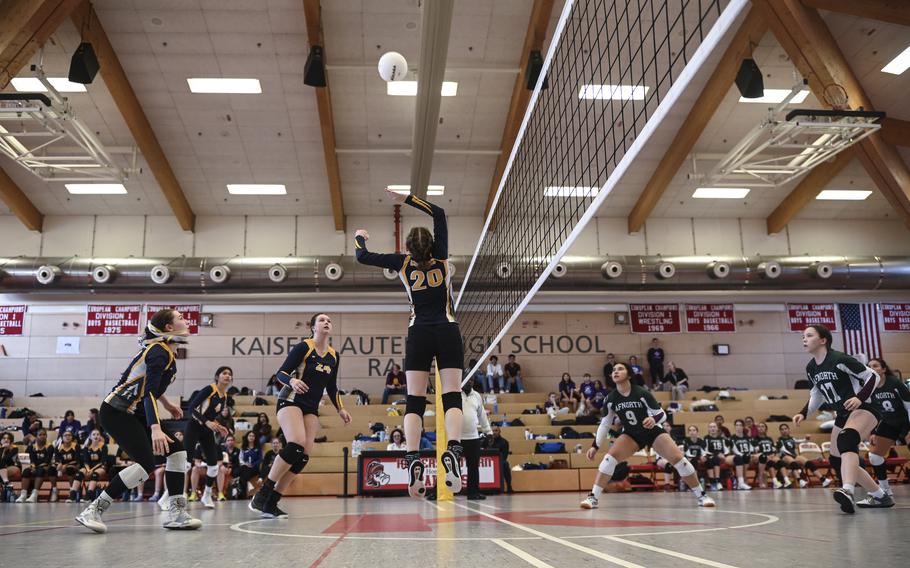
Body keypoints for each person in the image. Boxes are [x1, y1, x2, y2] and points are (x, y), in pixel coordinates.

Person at [354, 189, 465, 499]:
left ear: (408, 248)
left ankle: (414, 457)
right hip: (447, 329)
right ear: (431, 243)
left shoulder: (402, 264)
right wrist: (407, 199)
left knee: (414, 400)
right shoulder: (441, 256)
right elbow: (440, 213)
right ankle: (453, 451)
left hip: (419, 333)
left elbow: (362, 256)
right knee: (451, 395)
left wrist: (360, 237)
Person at [75, 308, 200, 533]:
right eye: (181, 318)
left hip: (135, 412)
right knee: (145, 465)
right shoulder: (158, 351)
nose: (186, 320)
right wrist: (155, 427)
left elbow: (150, 388)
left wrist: (167, 404)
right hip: (116, 412)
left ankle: (177, 514)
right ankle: (93, 510)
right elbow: (149, 393)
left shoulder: (165, 352)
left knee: (178, 452)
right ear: (169, 328)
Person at [249, 313, 352, 518]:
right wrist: (292, 381)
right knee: (295, 443)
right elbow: (281, 373)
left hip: (311, 406)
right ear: (313, 327)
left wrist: (340, 408)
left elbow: (331, 386)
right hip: (290, 400)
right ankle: (262, 492)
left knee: (303, 455)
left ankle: (271, 503)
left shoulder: (334, 355)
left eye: (329, 320)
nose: (326, 322)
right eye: (322, 320)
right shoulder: (304, 347)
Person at [580, 362, 714, 509]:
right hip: (632, 434)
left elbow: (661, 414)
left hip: (653, 431)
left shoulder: (641, 393)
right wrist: (595, 446)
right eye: (613, 370)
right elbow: (605, 424)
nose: (615, 372)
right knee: (608, 460)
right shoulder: (611, 399)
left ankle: (702, 496)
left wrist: (653, 419)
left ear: (629, 375)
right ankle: (593, 498)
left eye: (620, 369)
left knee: (679, 460)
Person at [793, 324, 892, 513]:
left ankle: (848, 490)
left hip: (865, 406)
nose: (804, 339)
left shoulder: (839, 359)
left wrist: (859, 397)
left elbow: (872, 377)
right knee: (837, 459)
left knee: (847, 439)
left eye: (809, 335)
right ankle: (880, 496)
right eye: (803, 336)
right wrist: (803, 412)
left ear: (823, 340)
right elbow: (817, 394)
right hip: (844, 412)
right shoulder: (811, 367)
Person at [175, 365, 232, 509]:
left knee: (214, 467)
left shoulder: (224, 397)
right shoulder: (209, 389)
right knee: (187, 464)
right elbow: (192, 408)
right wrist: (207, 422)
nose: (227, 376)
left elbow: (212, 416)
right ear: (217, 376)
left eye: (230, 374)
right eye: (224, 373)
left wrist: (219, 426)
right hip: (194, 426)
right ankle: (171, 495)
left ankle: (206, 495)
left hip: (206, 430)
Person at [859, 357, 910, 506]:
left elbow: (908, 407)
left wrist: (908, 430)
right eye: (869, 366)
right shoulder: (869, 387)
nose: (872, 368)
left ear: (883, 369)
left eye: (875, 366)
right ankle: (885, 490)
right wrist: (872, 431)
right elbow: (871, 410)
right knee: (874, 456)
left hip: (905, 420)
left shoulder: (894, 383)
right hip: (888, 423)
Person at [461, 377, 493, 500]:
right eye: (467, 380)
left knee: (473, 467)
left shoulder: (477, 396)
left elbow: (482, 415)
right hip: (455, 437)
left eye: (471, 380)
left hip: (473, 437)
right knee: (449, 467)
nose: (469, 382)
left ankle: (473, 492)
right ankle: (440, 491)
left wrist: (488, 431)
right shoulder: (455, 394)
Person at [16, 428, 57, 502]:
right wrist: (32, 467)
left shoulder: (50, 447)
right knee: (26, 471)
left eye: (44, 434)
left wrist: (36, 467)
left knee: (40, 471)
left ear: (46, 436)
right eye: (40, 435)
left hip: (47, 467)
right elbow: (29, 459)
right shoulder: (31, 447)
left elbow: (47, 461)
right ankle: (23, 495)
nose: (42, 436)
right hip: (34, 466)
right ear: (36, 436)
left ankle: (34, 494)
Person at [79, 429, 109, 501]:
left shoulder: (104, 447)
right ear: (90, 437)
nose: (96, 436)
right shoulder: (86, 447)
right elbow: (85, 461)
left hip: (100, 468)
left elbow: (102, 461)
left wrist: (91, 470)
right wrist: (88, 469)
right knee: (79, 473)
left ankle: (89, 495)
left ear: (100, 437)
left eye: (98, 434)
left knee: (94, 474)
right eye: (94, 434)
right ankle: (72, 496)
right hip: (89, 467)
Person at [483, 424, 514, 493]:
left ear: (500, 431)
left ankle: (509, 486)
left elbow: (505, 456)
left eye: (496, 431)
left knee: (505, 464)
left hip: (499, 462)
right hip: (486, 462)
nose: (494, 432)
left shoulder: (504, 442)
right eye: (492, 431)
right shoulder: (486, 441)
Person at [56, 430, 83, 502]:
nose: (67, 437)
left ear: (72, 437)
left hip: (76, 465)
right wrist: (59, 465)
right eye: (65, 435)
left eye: (69, 435)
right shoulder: (58, 447)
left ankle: (72, 492)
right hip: (63, 467)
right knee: (52, 469)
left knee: (69, 468)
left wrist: (66, 465)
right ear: (62, 437)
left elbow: (77, 460)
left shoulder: (76, 446)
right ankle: (54, 490)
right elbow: (57, 459)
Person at [727, 419, 754, 490]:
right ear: (735, 427)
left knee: (747, 456)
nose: (738, 427)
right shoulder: (731, 438)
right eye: (737, 425)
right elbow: (731, 450)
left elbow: (751, 449)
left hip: (747, 457)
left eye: (740, 425)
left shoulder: (748, 438)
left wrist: (750, 454)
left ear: (743, 427)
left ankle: (741, 482)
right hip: (735, 457)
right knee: (739, 457)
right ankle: (741, 482)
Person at [703, 421, 729, 491]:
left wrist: (724, 455)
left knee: (716, 458)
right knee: (713, 459)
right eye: (711, 427)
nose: (712, 428)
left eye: (714, 427)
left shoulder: (721, 438)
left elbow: (726, 449)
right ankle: (714, 482)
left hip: (721, 456)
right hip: (710, 456)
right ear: (708, 429)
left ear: (717, 428)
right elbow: (705, 450)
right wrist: (716, 454)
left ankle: (717, 482)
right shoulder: (706, 438)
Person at [751, 422, 776, 489]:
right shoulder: (755, 439)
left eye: (762, 426)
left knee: (777, 461)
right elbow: (757, 452)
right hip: (760, 458)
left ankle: (777, 481)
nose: (760, 428)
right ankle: (761, 477)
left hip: (770, 457)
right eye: (759, 427)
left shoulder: (769, 439)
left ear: (766, 429)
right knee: (764, 458)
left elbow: (774, 450)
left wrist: (772, 455)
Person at [238, 431, 262, 499]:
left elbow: (260, 459)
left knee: (243, 474)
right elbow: (240, 459)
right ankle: (248, 485)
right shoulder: (243, 447)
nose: (251, 437)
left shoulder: (258, 448)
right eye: (250, 436)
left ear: (255, 438)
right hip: (245, 467)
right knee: (243, 469)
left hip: (254, 468)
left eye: (253, 436)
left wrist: (252, 464)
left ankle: (243, 495)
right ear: (247, 437)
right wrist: (246, 464)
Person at [218, 435, 240, 501]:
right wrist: (223, 467)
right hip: (223, 468)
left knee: (236, 471)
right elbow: (219, 461)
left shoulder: (238, 451)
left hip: (233, 469)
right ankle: (221, 492)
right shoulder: (222, 450)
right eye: (228, 440)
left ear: (234, 442)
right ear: (225, 442)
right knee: (221, 471)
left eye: (231, 440)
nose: (230, 442)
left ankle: (228, 492)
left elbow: (237, 463)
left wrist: (231, 468)